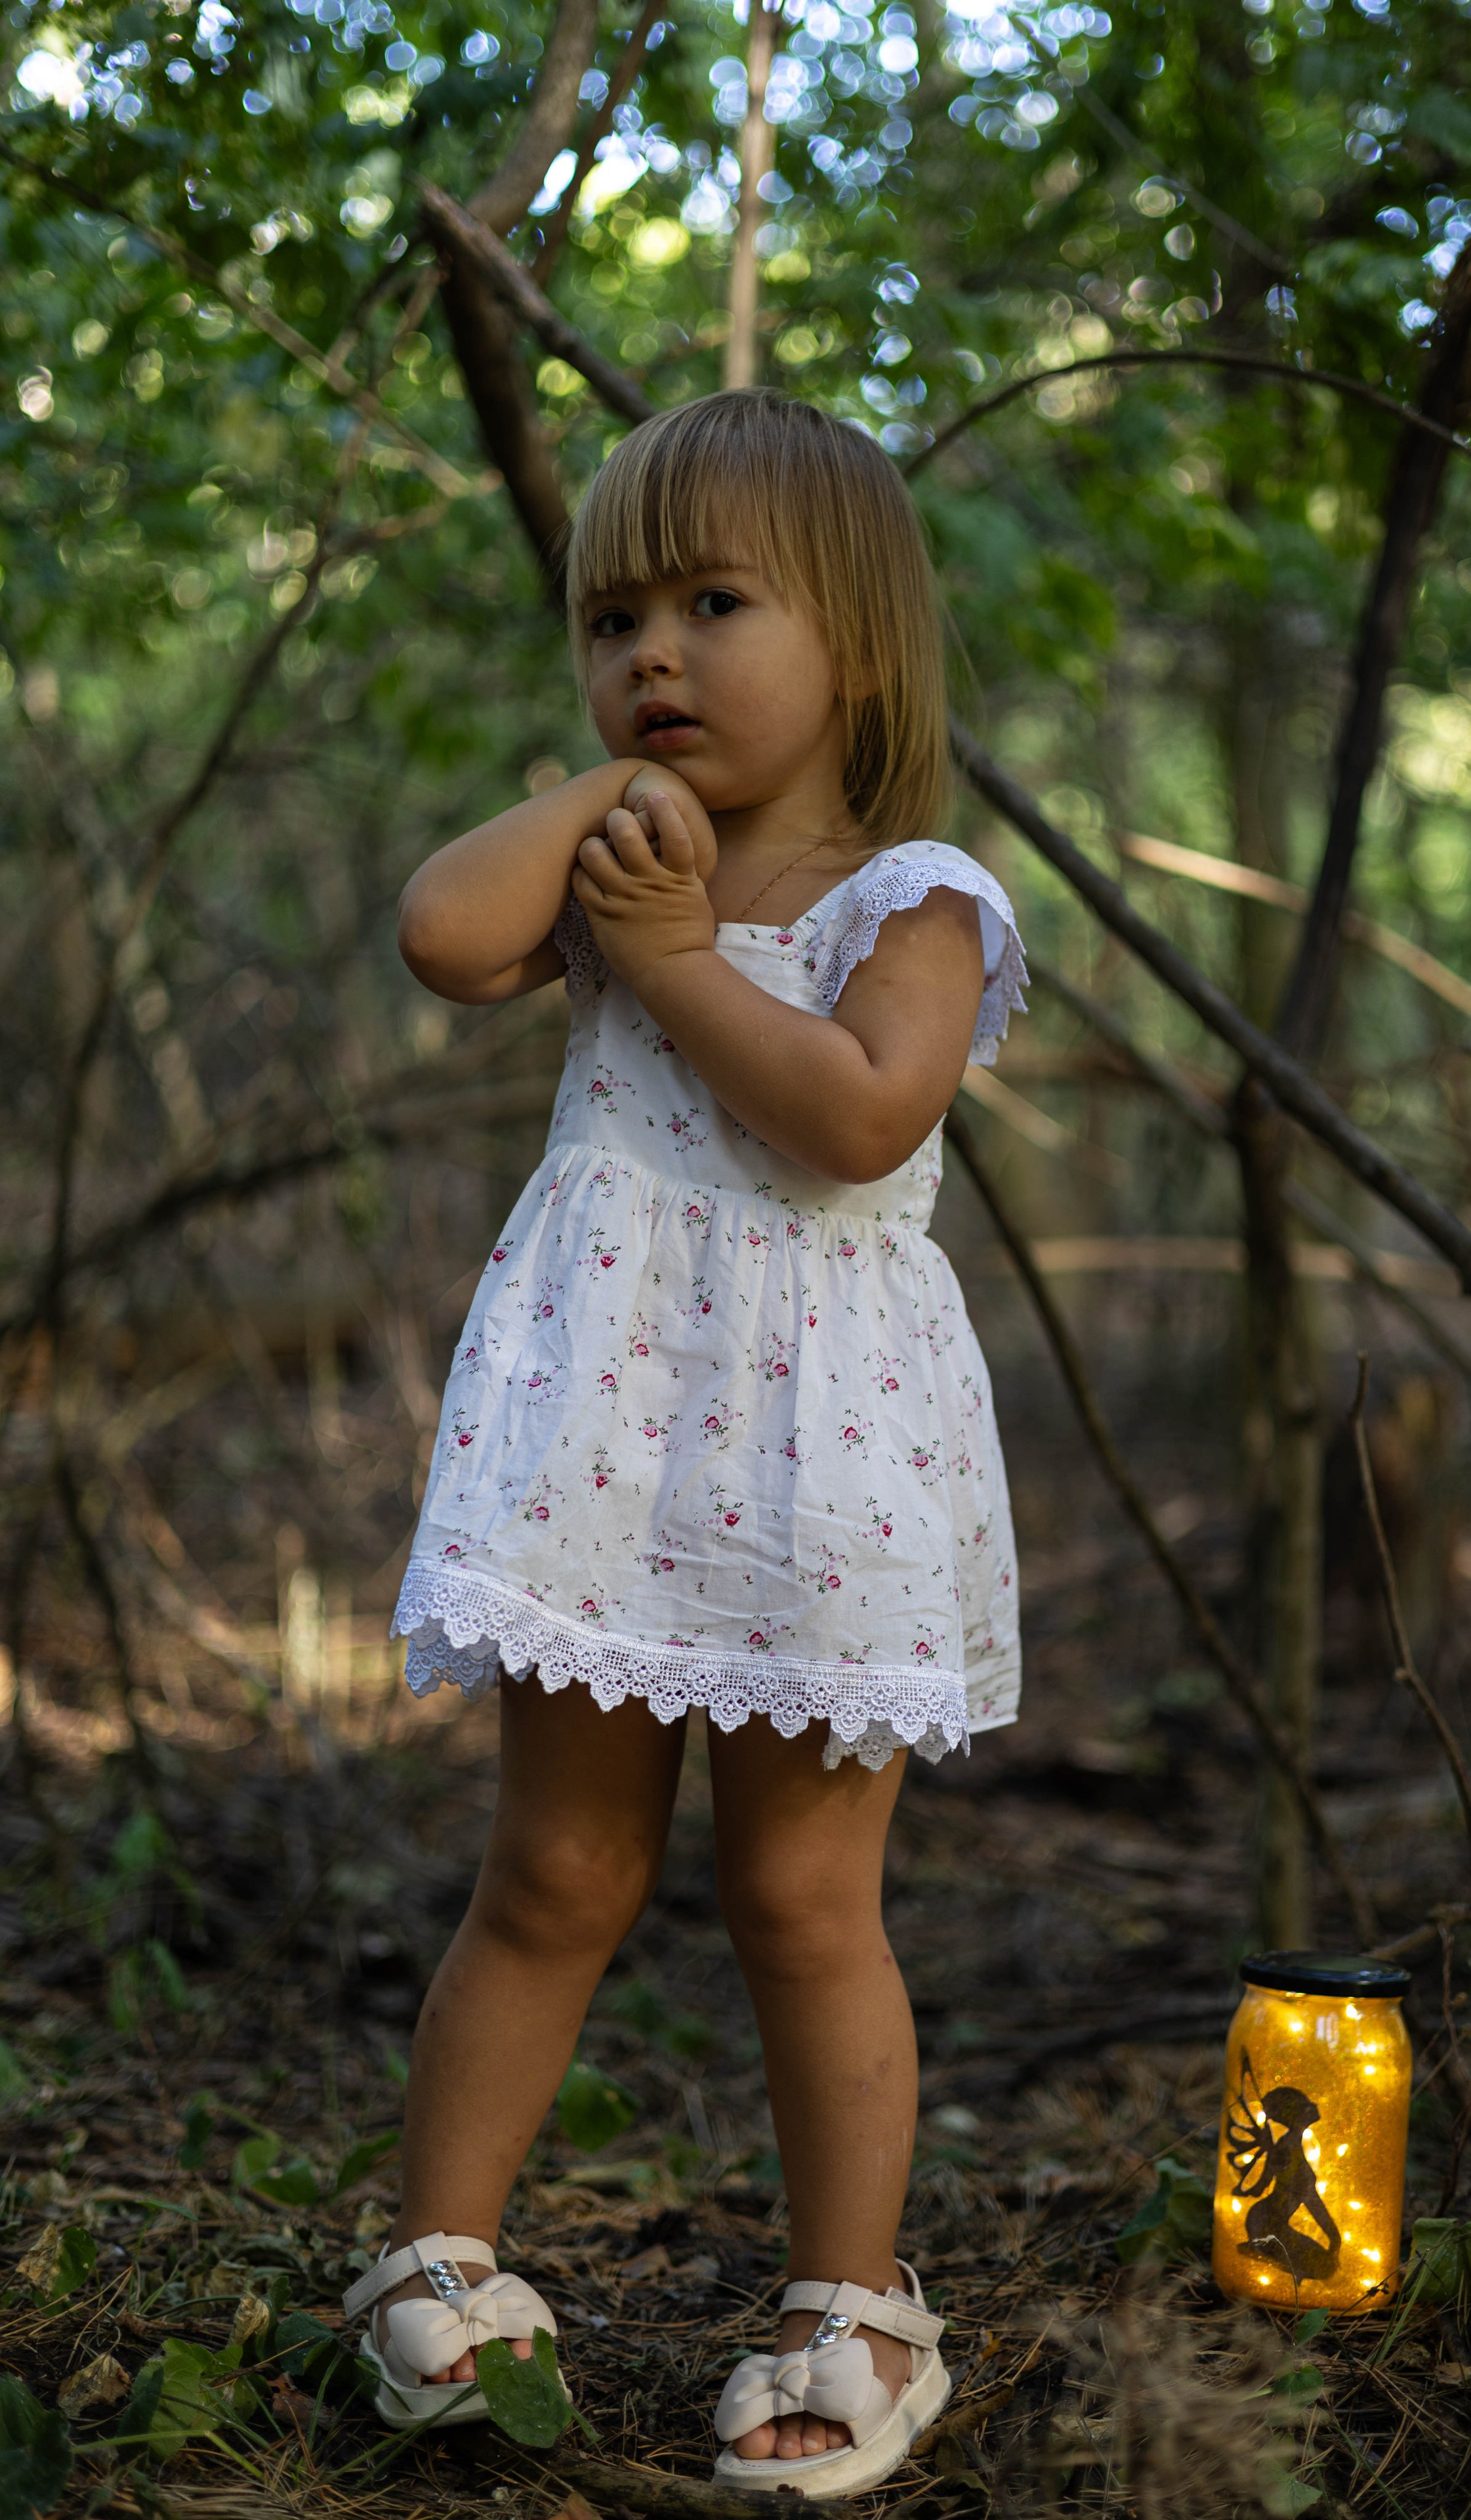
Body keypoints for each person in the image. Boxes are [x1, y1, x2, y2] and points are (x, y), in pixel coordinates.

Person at [342, 390, 1026, 2498]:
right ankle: (436, 2262)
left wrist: (665, 962)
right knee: (555, 1867)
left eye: (717, 604)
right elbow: (445, 935)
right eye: (614, 615)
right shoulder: (619, 853)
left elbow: (854, 1117)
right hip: (608, 1449)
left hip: (827, 1464)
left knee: (804, 1897)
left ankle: (850, 2304)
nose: (655, 650)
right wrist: (608, 816)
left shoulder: (914, 892)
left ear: (863, 652)